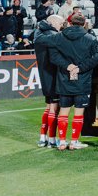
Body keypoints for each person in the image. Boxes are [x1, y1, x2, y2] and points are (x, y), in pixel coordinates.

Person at [47, 14, 98, 150]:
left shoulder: (58, 36)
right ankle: (74, 142)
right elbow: (94, 60)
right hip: (82, 79)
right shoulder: (91, 38)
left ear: (69, 23)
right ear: (84, 24)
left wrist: (67, 66)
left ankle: (62, 142)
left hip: (64, 79)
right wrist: (79, 68)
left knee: (63, 111)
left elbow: (53, 56)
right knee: (78, 113)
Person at [32, 15, 65, 147]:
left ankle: (43, 137)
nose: (62, 26)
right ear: (53, 22)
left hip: (45, 74)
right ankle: (51, 140)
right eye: (61, 23)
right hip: (53, 75)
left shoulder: (39, 33)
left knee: (49, 106)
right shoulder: (51, 35)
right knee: (54, 108)